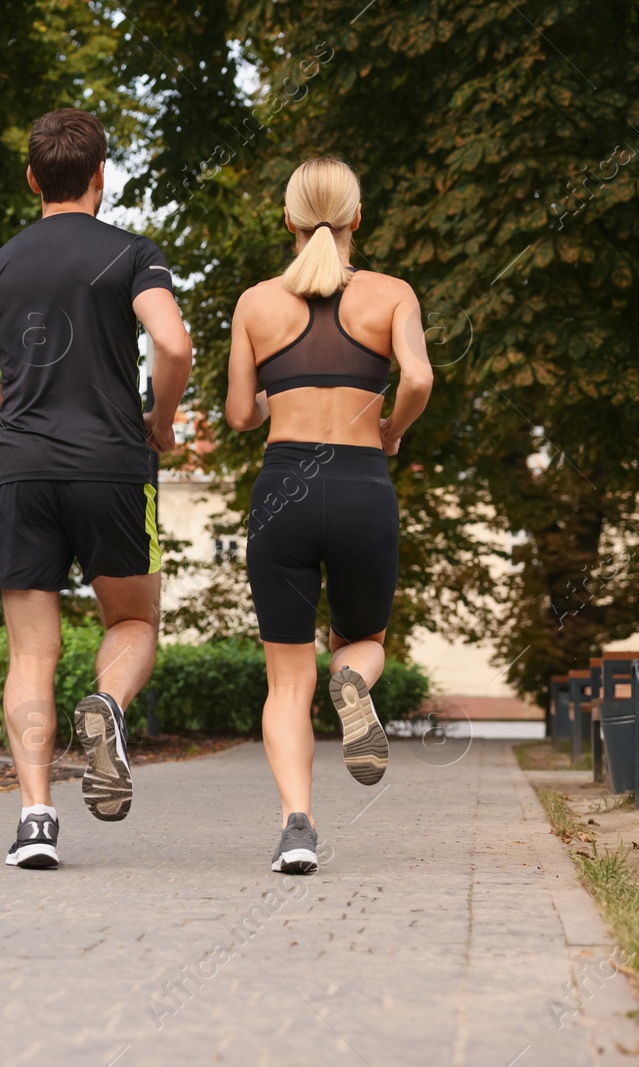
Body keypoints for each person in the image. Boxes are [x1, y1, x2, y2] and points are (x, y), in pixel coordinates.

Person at [0, 108, 193, 869]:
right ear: (101, 177)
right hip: (114, 466)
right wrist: (157, 416)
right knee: (131, 620)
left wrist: (26, 402)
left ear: (33, 179)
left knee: (32, 652)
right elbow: (174, 341)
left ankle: (34, 818)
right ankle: (110, 709)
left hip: (23, 471)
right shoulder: (132, 253)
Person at [225, 157, 433, 874]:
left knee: (286, 681)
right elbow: (420, 377)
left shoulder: (255, 303)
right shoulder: (392, 294)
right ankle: (354, 684)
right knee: (363, 638)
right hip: (360, 486)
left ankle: (296, 828)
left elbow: (240, 415)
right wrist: (393, 430)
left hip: (282, 489)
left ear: (287, 220)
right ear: (357, 218)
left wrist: (271, 397)